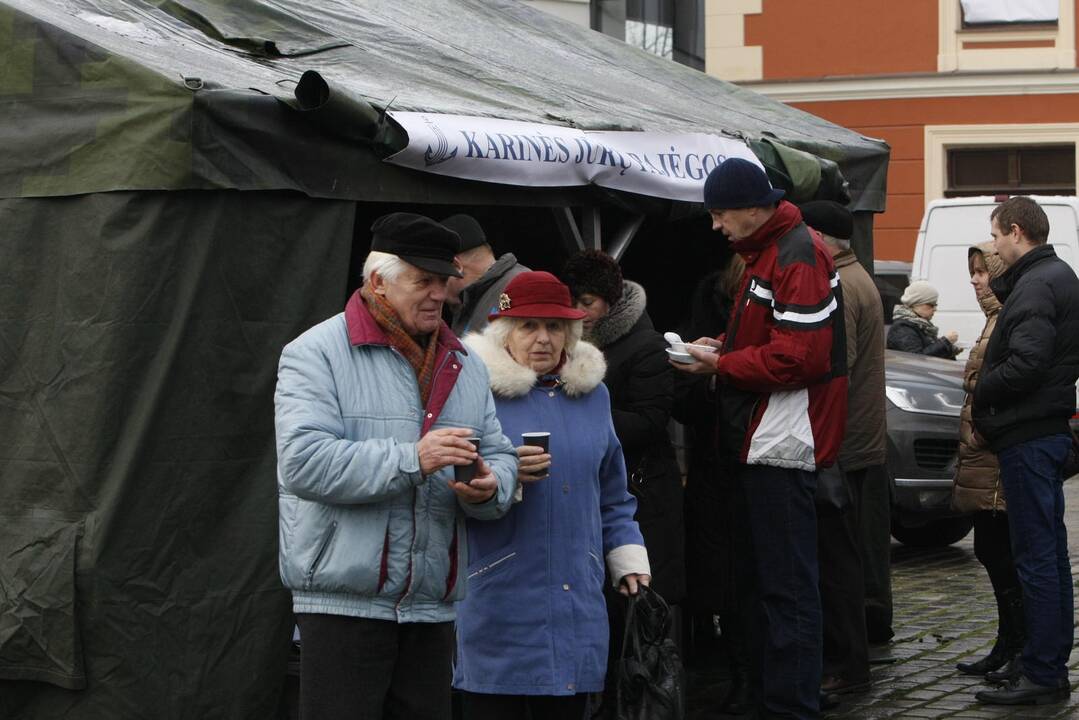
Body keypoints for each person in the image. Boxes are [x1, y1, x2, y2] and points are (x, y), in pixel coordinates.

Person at [274, 212, 519, 720]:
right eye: (421, 281)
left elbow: (498, 453)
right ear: (377, 282)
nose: (438, 294)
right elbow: (302, 462)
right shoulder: (314, 352)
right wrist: (414, 458)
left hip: (432, 604)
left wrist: (491, 486)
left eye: (444, 281)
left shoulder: (467, 363)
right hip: (343, 601)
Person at [675, 158, 848, 720]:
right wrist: (720, 344)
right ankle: (777, 699)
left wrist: (721, 362)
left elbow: (800, 356)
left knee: (788, 590)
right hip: (768, 440)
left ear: (754, 207)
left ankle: (793, 707)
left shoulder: (794, 254)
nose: (715, 225)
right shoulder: (770, 253)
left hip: (783, 444)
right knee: (768, 584)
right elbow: (777, 338)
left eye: (721, 213)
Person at [455, 271, 651, 720]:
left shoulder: (594, 396)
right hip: (498, 594)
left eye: (555, 326)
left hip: (576, 596)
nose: (543, 338)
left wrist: (626, 556)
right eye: (528, 326)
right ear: (505, 333)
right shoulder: (473, 394)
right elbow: (452, 486)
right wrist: (505, 478)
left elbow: (613, 493)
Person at [561, 250, 687, 716]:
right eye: (572, 301)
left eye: (588, 301)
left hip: (642, 496)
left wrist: (583, 417)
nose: (579, 311)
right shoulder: (567, 344)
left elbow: (653, 420)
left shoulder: (645, 345)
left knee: (633, 613)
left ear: (611, 302)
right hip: (599, 492)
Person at [972, 196, 1079, 706]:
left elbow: (1028, 363)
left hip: (1030, 436)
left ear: (1016, 231)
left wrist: (982, 389)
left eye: (995, 236)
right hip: (1038, 433)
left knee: (1037, 557)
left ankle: (1043, 671)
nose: (993, 245)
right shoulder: (1052, 277)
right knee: (1048, 556)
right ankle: (1046, 665)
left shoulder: (1038, 282)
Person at [801, 201, 882, 696]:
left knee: (837, 563)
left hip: (843, 443)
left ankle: (846, 664)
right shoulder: (856, 277)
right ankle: (849, 660)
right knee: (846, 560)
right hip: (856, 440)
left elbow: (837, 365)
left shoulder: (843, 285)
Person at [951, 243, 1025, 680]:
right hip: (982, 460)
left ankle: (1018, 647)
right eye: (973, 273)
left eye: (982, 272)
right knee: (991, 551)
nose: (976, 280)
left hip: (995, 459)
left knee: (1003, 553)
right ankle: (1007, 643)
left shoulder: (1007, 321)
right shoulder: (992, 320)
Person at [442, 213, 529, 337]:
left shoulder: (524, 286)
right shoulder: (468, 299)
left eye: (439, 277)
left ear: (456, 266)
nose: (438, 292)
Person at [886, 281, 960, 358]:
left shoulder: (921, 325)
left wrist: (950, 350)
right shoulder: (902, 328)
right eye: (931, 305)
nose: (935, 309)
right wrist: (945, 342)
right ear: (916, 303)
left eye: (935, 305)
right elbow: (917, 360)